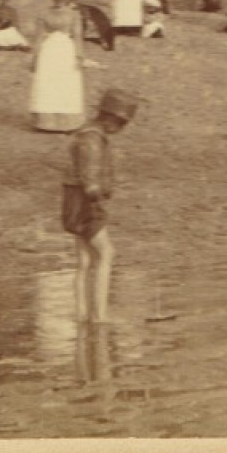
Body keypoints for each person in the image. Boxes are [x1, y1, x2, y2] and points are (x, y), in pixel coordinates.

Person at [62, 88, 139, 324]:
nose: (122, 129)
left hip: (72, 202)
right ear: (111, 118)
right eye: (122, 123)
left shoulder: (84, 134)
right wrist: (100, 195)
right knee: (107, 254)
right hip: (86, 204)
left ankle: (82, 314)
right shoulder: (93, 140)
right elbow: (90, 180)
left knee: (84, 261)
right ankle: (99, 316)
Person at [30, 0, 86, 132]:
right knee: (48, 82)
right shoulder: (43, 13)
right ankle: (46, 122)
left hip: (66, 50)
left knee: (65, 82)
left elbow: (78, 36)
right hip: (48, 50)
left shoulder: (74, 14)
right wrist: (34, 56)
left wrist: (79, 56)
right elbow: (39, 36)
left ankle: (66, 123)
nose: (58, 0)